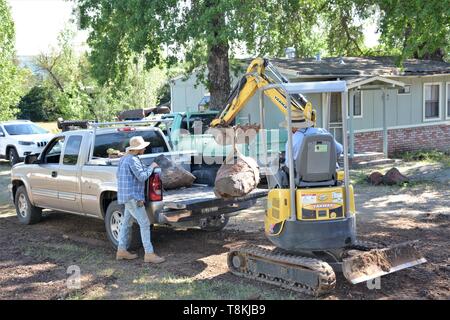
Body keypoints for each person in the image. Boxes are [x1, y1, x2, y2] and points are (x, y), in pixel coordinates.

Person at [115, 136, 165, 264]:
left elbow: (119, 176)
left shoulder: (123, 159)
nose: (145, 148)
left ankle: (121, 250)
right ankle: (149, 253)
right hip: (133, 197)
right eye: (143, 147)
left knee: (126, 224)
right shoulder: (133, 160)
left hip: (126, 196)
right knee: (144, 224)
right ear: (138, 149)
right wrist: (152, 166)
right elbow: (142, 177)